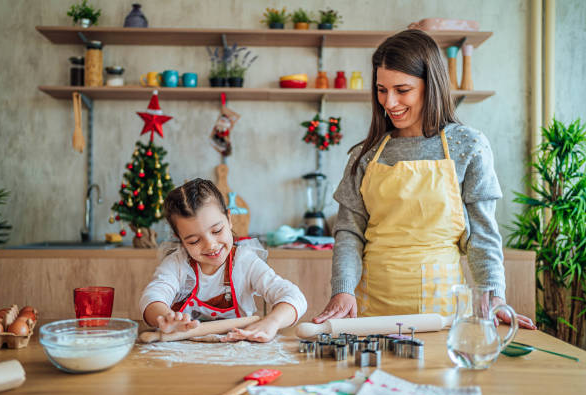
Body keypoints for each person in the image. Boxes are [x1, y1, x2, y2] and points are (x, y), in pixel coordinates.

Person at [313, 29, 535, 330]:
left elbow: (482, 234)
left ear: (431, 85)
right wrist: (342, 290)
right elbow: (349, 233)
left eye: (402, 90)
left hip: (442, 312)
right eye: (381, 89)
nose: (389, 102)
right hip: (372, 312)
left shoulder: (468, 146)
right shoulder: (364, 156)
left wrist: (494, 296)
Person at [140, 178, 307, 342]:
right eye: (194, 241)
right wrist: (166, 319)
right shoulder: (177, 265)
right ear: (180, 239)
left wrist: (272, 322)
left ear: (229, 219)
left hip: (237, 350)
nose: (211, 245)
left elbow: (294, 296)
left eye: (217, 230)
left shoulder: (244, 263)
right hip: (184, 354)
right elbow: (152, 297)